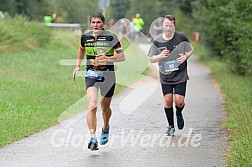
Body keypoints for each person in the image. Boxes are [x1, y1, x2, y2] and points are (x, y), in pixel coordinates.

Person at [72, 12, 125, 150]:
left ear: (104, 24)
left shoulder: (111, 37)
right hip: (91, 74)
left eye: (98, 22)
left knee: (105, 108)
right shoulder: (85, 37)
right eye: (93, 22)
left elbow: (122, 57)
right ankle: (92, 137)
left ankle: (106, 127)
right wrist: (77, 66)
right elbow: (81, 50)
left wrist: (108, 58)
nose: (95, 25)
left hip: (108, 75)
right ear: (90, 24)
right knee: (92, 105)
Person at [147, 14, 193, 136]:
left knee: (179, 101)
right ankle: (171, 126)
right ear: (163, 26)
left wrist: (185, 56)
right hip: (165, 76)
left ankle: (179, 112)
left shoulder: (181, 37)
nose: (168, 28)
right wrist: (160, 56)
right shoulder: (157, 40)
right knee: (168, 100)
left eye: (170, 26)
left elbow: (190, 50)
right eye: (166, 25)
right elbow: (151, 59)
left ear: (174, 26)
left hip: (180, 74)